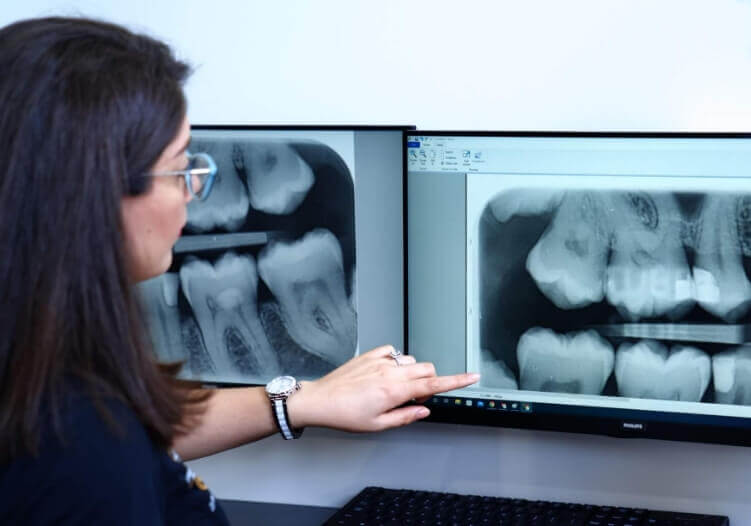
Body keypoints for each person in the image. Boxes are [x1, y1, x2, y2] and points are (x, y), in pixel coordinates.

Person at [0, 16, 479, 525]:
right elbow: (94, 444)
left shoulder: (41, 374)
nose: (193, 191)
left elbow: (129, 427)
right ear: (93, 192)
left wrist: (302, 400)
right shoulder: (79, 454)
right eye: (181, 167)